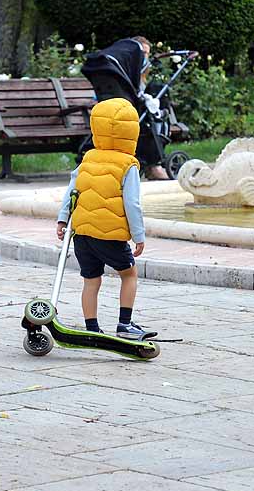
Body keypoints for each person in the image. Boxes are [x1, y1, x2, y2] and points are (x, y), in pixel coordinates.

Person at [55, 98, 155, 340]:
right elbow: (132, 204)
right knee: (129, 274)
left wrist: (62, 220)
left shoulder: (88, 158)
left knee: (91, 280)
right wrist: (138, 236)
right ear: (131, 132)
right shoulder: (128, 165)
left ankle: (92, 329)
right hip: (109, 236)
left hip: (82, 234)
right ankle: (125, 324)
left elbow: (72, 191)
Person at [80, 36, 170, 180]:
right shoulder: (123, 78)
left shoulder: (124, 77)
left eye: (147, 53)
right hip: (128, 110)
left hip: (119, 110)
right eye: (143, 54)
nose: (145, 58)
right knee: (154, 116)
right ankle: (154, 165)